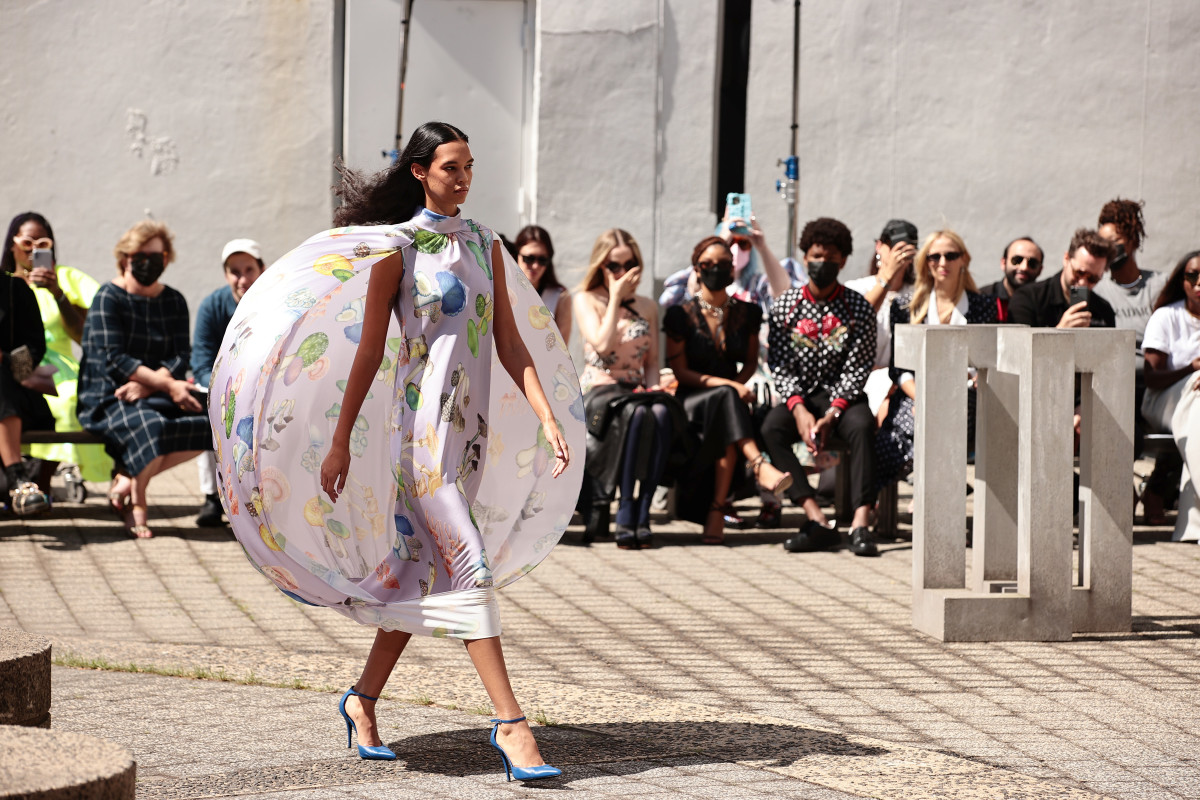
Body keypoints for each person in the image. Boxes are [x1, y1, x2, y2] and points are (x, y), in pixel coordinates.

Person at [211, 122, 582, 780]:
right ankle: (512, 725)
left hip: (466, 438)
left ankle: (362, 699)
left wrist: (549, 417)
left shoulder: (486, 243)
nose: (463, 178)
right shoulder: (397, 249)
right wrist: (338, 444)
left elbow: (509, 342)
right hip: (419, 442)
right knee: (470, 568)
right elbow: (370, 350)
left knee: (416, 574)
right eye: (449, 167)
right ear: (418, 171)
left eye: (469, 166)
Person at [77, 221, 210, 538]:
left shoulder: (174, 300)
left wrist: (155, 384)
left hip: (155, 391)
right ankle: (138, 505)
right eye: (141, 254)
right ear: (125, 257)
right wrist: (168, 384)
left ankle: (128, 477)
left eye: (157, 255)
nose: (148, 262)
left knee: (214, 422)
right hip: (110, 395)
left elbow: (181, 355)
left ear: (166, 258)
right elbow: (115, 358)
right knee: (152, 426)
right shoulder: (108, 297)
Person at [663, 236, 793, 544]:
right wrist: (731, 385)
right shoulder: (679, 314)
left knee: (727, 409)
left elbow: (749, 363)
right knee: (727, 398)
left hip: (729, 400)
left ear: (733, 269)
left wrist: (737, 384)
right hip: (691, 399)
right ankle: (759, 465)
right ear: (697, 269)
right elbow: (681, 372)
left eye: (724, 264)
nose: (716, 270)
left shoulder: (747, 312)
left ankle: (716, 512)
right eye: (708, 265)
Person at [761, 217, 879, 556]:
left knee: (862, 425)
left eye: (830, 258)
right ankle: (816, 519)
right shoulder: (785, 306)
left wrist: (832, 412)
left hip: (844, 396)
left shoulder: (858, 308)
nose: (821, 263)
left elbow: (859, 367)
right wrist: (798, 408)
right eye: (815, 256)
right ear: (803, 257)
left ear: (842, 261)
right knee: (772, 427)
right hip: (801, 394)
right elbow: (779, 365)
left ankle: (860, 522)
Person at [574, 228, 685, 549]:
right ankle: (624, 508)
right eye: (614, 266)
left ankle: (642, 508)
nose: (622, 273)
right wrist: (616, 300)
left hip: (635, 390)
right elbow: (603, 343)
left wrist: (654, 391)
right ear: (601, 267)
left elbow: (652, 361)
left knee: (661, 411)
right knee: (636, 413)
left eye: (629, 264)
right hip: (600, 389)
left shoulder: (649, 306)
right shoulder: (586, 299)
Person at [875, 230, 997, 491]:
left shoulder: (983, 305)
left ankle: (929, 481)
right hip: (915, 393)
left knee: (942, 416)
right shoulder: (905, 306)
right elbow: (900, 369)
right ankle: (942, 482)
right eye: (935, 256)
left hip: (965, 397)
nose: (943, 263)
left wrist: (949, 392)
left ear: (963, 259)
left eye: (950, 256)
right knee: (904, 427)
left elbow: (986, 362)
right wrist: (924, 397)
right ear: (925, 262)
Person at [2, 211, 111, 484]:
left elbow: (87, 336)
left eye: (43, 245)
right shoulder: (6, 284)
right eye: (27, 243)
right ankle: (17, 476)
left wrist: (58, 294)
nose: (33, 251)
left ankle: (42, 480)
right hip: (11, 366)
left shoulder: (67, 278)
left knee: (68, 401)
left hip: (57, 366)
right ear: (11, 244)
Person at [1093, 198, 1174, 522]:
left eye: (1116, 242)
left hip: (1159, 383)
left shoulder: (1160, 285)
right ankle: (1123, 485)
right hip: (1118, 385)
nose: (1110, 249)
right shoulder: (1097, 289)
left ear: (1133, 241)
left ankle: (1158, 486)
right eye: (1104, 243)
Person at [190, 238, 265, 527]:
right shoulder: (212, 305)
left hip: (260, 389)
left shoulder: (273, 301)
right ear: (226, 274)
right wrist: (222, 392)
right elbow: (201, 357)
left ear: (262, 269)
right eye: (235, 271)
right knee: (209, 416)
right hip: (222, 390)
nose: (242, 278)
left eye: (248, 269)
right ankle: (212, 496)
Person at [1141, 250, 1200, 542]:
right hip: (1161, 403)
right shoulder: (1167, 316)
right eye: (1192, 275)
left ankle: (1192, 526)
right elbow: (1152, 377)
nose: (1199, 282)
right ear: (1182, 279)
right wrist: (1192, 369)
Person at [842, 219, 918, 416]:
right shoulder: (856, 288)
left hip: (904, 380)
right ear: (879, 246)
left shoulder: (918, 294)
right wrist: (887, 276)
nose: (898, 253)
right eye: (893, 246)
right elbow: (857, 320)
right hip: (860, 380)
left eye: (906, 247)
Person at [0, 272, 54, 514]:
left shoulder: (13, 289)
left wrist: (5, 359)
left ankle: (17, 479)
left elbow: (35, 349)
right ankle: (18, 482)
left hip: (15, 396)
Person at [1007, 229, 1116, 329]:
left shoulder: (1103, 309)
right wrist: (1060, 332)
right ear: (1066, 259)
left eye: (1093, 278)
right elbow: (1019, 348)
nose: (1083, 282)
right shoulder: (1028, 298)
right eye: (1079, 273)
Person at [513, 225, 571, 345]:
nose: (535, 266)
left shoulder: (560, 296)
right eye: (529, 258)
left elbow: (562, 348)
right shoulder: (503, 289)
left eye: (542, 260)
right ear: (516, 255)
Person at [978, 236, 1045, 321]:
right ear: (1003, 263)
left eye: (1032, 263)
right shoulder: (983, 298)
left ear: (1040, 270)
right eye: (1017, 260)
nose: (1024, 267)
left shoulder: (1045, 302)